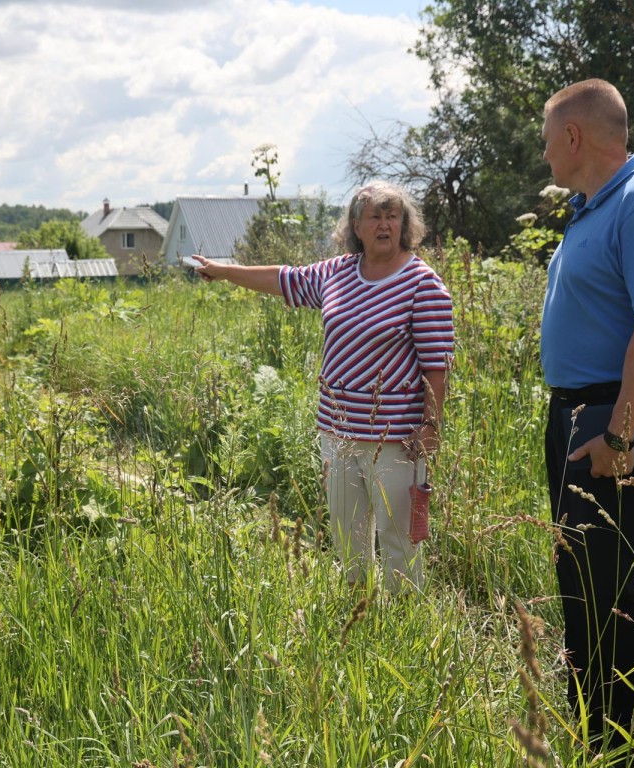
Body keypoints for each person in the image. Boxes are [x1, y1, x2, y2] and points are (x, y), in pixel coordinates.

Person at [193, 182, 454, 592]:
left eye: (393, 216)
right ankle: (358, 619)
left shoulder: (422, 284)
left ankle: (405, 628)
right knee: (347, 542)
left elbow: (437, 367)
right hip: (336, 435)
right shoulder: (338, 272)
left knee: (399, 544)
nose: (385, 225)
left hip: (396, 441)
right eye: (375, 216)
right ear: (356, 225)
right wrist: (225, 271)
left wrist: (431, 427)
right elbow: (284, 280)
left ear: (404, 225)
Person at [540, 78, 634, 763]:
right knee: (588, 586)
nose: (544, 156)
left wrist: (619, 434)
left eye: (546, 141)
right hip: (574, 417)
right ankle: (603, 733)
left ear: (574, 137)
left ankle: (628, 729)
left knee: (604, 590)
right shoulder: (589, 209)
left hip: (613, 421)